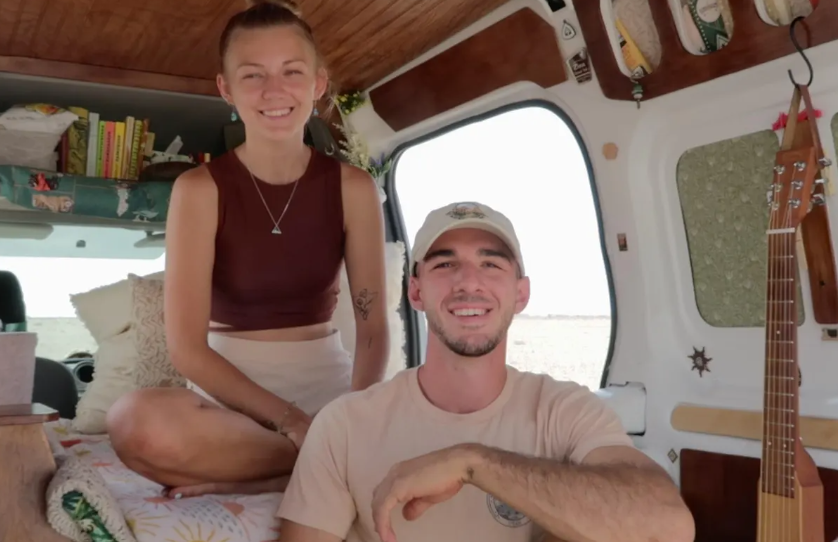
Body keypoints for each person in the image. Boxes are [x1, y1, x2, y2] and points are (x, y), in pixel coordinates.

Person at [274, 201, 696, 542]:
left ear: (521, 293)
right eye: (444, 264)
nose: (468, 282)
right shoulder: (345, 426)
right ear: (416, 292)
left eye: (491, 264)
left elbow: (670, 527)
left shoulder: (566, 412)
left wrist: (473, 463)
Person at [105, 0, 390, 500]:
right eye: (253, 75)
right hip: (231, 411)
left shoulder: (355, 188)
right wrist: (290, 422)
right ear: (226, 89)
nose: (274, 91)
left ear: (318, 84)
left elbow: (372, 330)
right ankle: (323, 465)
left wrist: (355, 416)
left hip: (334, 398)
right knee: (135, 421)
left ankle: (299, 467)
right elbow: (188, 351)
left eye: (291, 71)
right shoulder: (198, 190)